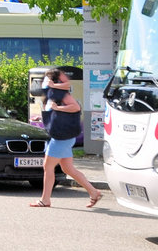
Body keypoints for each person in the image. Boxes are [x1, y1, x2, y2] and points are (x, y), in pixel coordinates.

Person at [30, 67, 103, 209]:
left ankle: (45, 200)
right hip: (63, 136)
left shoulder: (61, 94)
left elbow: (76, 107)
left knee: (48, 166)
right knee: (68, 169)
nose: (43, 83)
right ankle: (94, 192)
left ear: (52, 81)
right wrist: (42, 117)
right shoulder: (52, 95)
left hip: (61, 138)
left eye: (46, 79)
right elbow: (57, 113)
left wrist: (58, 109)